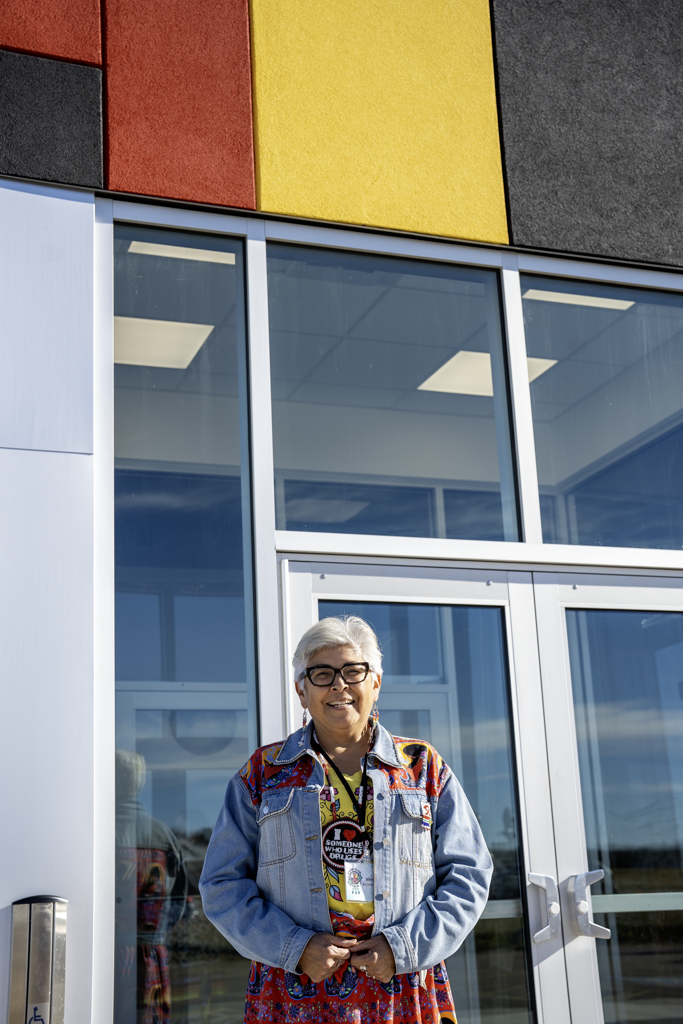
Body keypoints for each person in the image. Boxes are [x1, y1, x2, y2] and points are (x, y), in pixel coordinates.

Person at [200, 616, 492, 1023]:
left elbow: (469, 875)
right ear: (301, 691)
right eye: (321, 674)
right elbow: (221, 885)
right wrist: (295, 947)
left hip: (402, 986)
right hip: (294, 989)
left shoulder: (422, 768)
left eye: (353, 671)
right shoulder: (263, 773)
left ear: (376, 683)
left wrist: (403, 948)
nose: (339, 685)